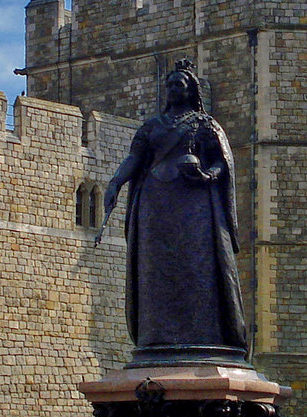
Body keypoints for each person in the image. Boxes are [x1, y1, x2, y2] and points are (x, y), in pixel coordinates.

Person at [102, 59, 248, 358]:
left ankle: (204, 334)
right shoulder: (152, 127)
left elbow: (222, 162)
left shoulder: (205, 125)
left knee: (197, 268)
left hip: (195, 205)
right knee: (155, 270)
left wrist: (208, 175)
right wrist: (116, 181)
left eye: (177, 85)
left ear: (190, 90)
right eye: (168, 85)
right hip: (155, 203)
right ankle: (157, 335)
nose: (171, 89)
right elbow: (135, 158)